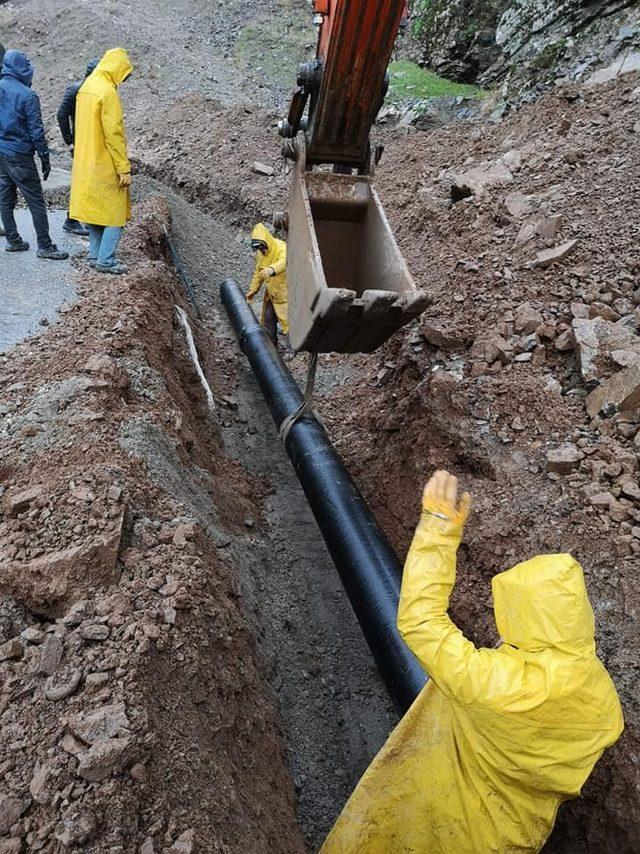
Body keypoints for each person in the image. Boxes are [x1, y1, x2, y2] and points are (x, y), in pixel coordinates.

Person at [322, 470, 624, 853]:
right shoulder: (604, 702)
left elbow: (420, 621)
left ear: (525, 620)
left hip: (446, 828)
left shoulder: (493, 685)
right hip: (513, 837)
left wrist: (438, 530)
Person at [69, 48, 133, 275]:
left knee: (96, 213)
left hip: (85, 162)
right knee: (114, 215)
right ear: (117, 68)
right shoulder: (108, 92)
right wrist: (123, 168)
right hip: (104, 163)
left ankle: (94, 255)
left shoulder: (86, 87)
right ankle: (106, 260)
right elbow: (113, 133)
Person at [0, 50, 69, 259]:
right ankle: (45, 246)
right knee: (35, 200)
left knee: (5, 197)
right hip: (20, 155)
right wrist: (44, 158)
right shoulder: (27, 95)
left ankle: (13, 240)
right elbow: (36, 131)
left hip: (2, 154)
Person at [56, 58, 99, 236]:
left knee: (91, 181)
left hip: (92, 144)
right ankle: (71, 220)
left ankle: (87, 218)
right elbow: (61, 115)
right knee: (82, 181)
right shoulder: (76, 90)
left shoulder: (93, 90)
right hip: (81, 144)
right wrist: (70, 141)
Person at [246, 223, 288, 345]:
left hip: (285, 294)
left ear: (266, 241)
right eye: (259, 248)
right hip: (272, 294)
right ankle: (271, 346)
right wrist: (253, 291)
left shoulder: (280, 247)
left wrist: (271, 270)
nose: (261, 250)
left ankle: (291, 349)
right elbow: (258, 273)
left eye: (262, 247)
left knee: (288, 324)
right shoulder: (261, 255)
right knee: (268, 319)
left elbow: (284, 261)